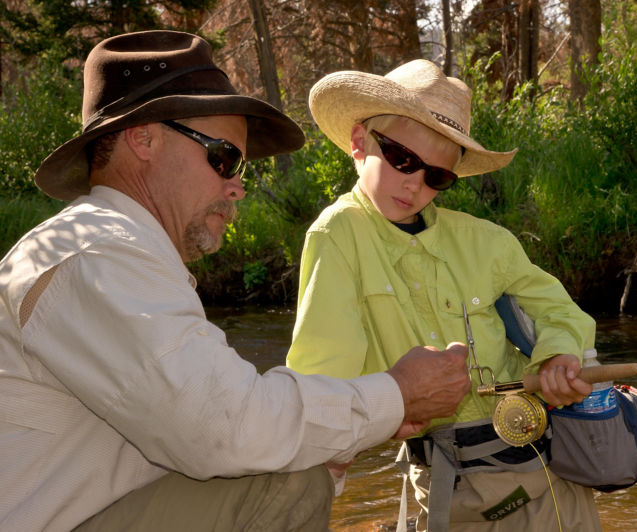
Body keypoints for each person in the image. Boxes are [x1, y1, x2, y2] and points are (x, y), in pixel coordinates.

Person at [0, 31, 472, 532]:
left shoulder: (108, 248)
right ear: (144, 138)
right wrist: (397, 393)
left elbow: (204, 425)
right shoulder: (98, 254)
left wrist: (338, 435)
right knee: (289, 483)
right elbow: (224, 425)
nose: (238, 186)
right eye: (224, 157)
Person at [286, 59, 602, 531]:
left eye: (437, 177)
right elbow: (321, 377)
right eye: (402, 159)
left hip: (547, 482)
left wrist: (558, 358)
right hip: (444, 494)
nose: (415, 183)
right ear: (358, 143)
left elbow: (562, 313)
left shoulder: (488, 241)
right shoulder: (335, 235)